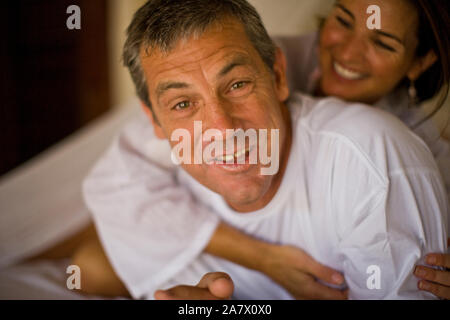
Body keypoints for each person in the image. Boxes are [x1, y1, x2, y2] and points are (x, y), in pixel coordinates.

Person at [76, 0, 450, 299]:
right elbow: (113, 181)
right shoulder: (269, 53)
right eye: (183, 104)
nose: (222, 128)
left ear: (278, 77)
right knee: (88, 266)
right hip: (242, 247)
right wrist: (261, 260)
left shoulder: (385, 150)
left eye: (237, 84)